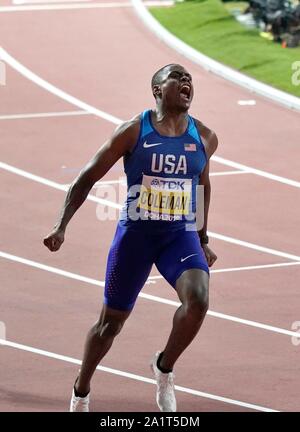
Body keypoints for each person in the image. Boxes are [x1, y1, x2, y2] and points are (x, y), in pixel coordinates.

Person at [43, 63, 218, 412]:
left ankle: (163, 368)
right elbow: (87, 177)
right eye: (177, 78)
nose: (186, 82)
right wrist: (62, 225)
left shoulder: (204, 137)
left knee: (198, 300)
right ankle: (81, 389)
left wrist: (203, 237)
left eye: (190, 80)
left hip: (178, 236)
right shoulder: (133, 132)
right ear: (157, 90)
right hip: (136, 236)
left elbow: (202, 184)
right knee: (109, 325)